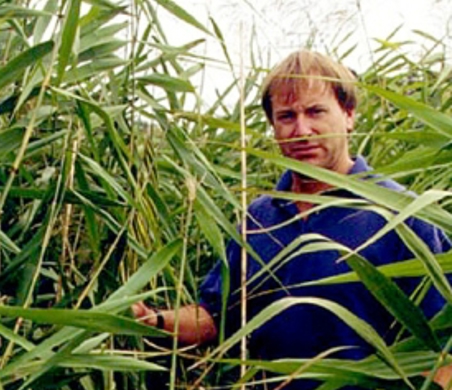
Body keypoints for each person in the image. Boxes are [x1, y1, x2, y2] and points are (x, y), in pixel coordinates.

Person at [132, 50, 452, 389]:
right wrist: (150, 320)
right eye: (286, 116)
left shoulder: (403, 216)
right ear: (272, 127)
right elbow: (215, 318)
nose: (302, 130)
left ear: (349, 115)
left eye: (315, 111)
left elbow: (443, 351)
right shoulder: (260, 218)